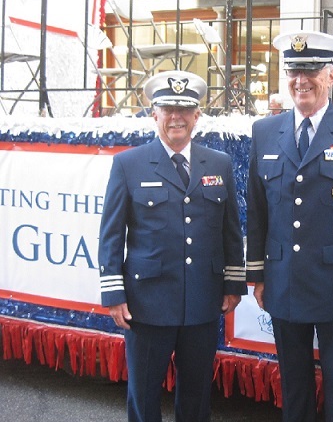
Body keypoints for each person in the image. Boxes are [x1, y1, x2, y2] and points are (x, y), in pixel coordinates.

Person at [246, 30, 333, 422]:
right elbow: (257, 211)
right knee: (295, 386)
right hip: (284, 280)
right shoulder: (265, 132)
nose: (301, 79)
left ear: (332, 76)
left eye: (311, 70)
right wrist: (257, 273)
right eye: (293, 70)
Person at [98, 70, 246, 422]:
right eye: (168, 109)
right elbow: (111, 234)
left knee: (196, 398)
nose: (176, 117)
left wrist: (232, 286)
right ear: (154, 114)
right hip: (147, 303)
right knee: (144, 394)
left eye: (185, 110)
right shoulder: (128, 164)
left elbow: (230, 232)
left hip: (202, 302)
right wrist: (114, 294)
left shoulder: (219, 164)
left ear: (197, 116)